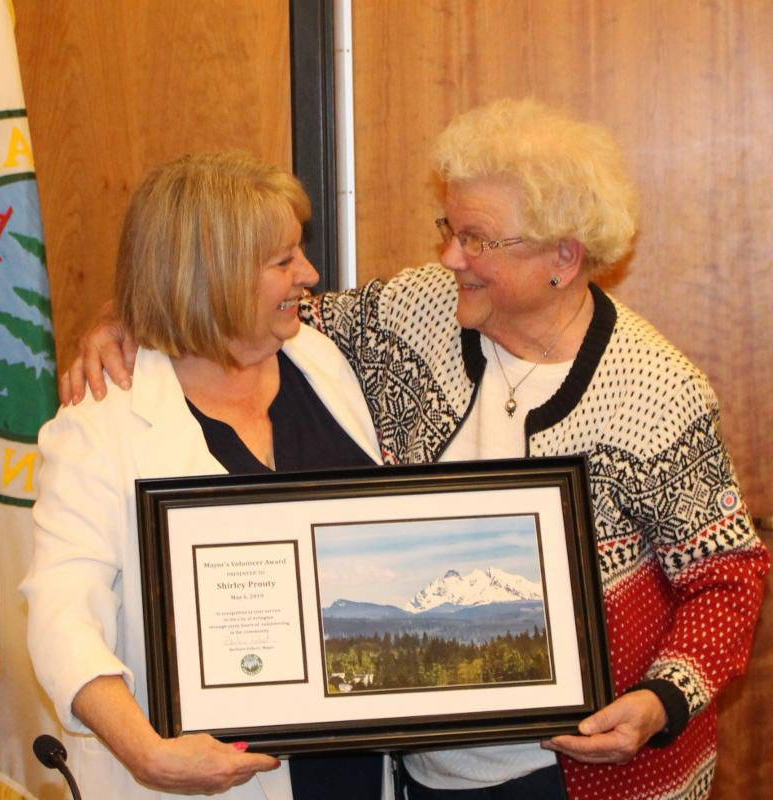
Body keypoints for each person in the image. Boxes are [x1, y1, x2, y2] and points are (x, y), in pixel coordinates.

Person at [63, 99, 770, 800]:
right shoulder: (416, 313)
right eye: (449, 228)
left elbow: (729, 575)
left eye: (477, 239)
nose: (448, 257)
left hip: (588, 778)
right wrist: (126, 316)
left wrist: (661, 700)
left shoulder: (653, 391)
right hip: (424, 779)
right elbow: (239, 302)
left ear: (563, 256)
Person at [21, 152, 388, 800]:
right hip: (208, 778)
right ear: (211, 277)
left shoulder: (319, 358)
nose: (310, 273)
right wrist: (148, 754)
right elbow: (60, 611)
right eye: (284, 261)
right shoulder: (101, 427)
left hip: (351, 769)